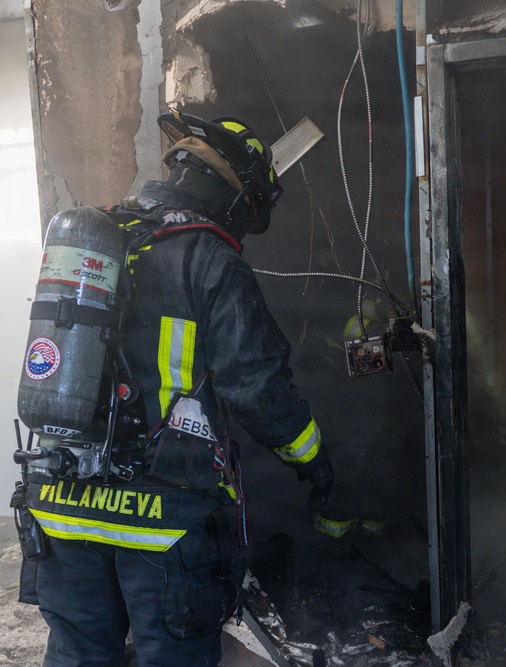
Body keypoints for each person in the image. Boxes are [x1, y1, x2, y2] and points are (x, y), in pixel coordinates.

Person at [23, 108, 335, 666]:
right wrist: (311, 458)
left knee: (77, 655)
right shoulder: (210, 259)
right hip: (160, 519)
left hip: (61, 505)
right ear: (236, 199)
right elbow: (257, 388)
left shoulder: (99, 238)